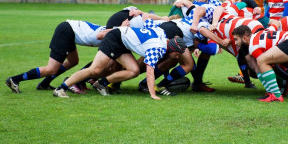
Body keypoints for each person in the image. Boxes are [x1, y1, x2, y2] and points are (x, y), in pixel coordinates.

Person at [53, 20, 187, 99]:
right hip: (115, 38)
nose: (177, 57)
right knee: (95, 69)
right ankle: (61, 88)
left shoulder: (163, 35)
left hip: (122, 40)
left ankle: (101, 84)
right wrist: (153, 94)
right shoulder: (159, 48)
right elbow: (149, 71)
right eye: (177, 54)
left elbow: (148, 22)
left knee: (133, 70)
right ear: (172, 49)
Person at [5, 20, 107, 94]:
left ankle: (44, 84)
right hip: (67, 31)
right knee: (51, 69)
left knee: (73, 61)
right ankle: (14, 79)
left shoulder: (115, 31)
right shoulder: (114, 34)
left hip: (69, 31)